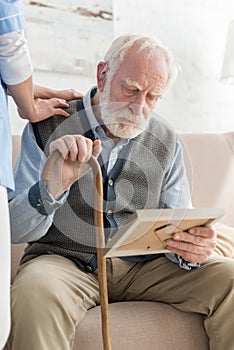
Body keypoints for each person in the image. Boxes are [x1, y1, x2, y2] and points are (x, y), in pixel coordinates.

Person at [7, 33, 234, 350]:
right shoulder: (46, 123)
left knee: (230, 277)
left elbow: (179, 221)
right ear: (102, 74)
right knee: (34, 292)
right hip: (63, 262)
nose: (139, 106)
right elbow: (13, 230)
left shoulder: (166, 139)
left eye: (153, 96)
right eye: (131, 89)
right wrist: (53, 185)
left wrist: (191, 248)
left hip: (144, 268)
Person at [0, 1, 82, 348]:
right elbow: (9, 44)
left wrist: (27, 91)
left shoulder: (162, 138)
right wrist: (27, 105)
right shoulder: (48, 130)